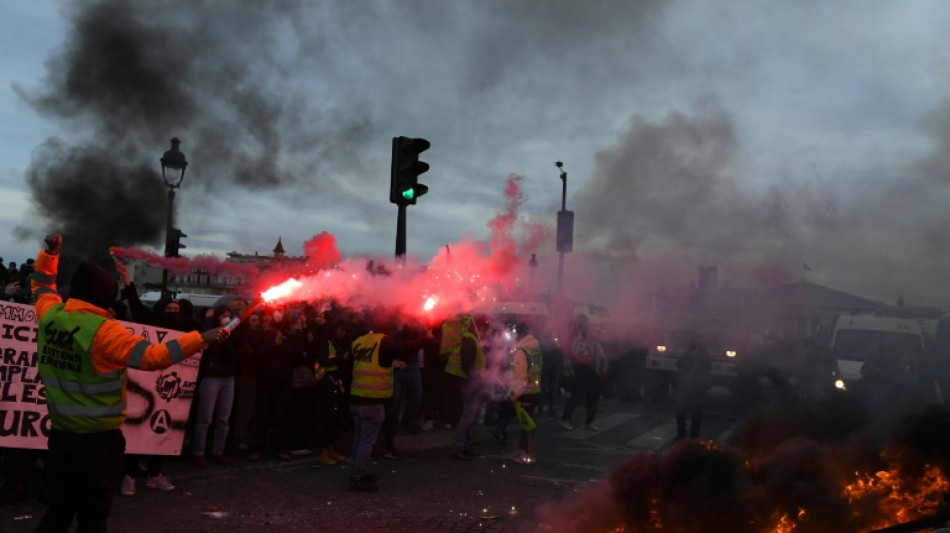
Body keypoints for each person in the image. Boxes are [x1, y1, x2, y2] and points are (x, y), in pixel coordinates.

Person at [31, 233, 229, 533]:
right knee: (93, 516)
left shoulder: (51, 315)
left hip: (60, 436)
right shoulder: (104, 331)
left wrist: (49, 254)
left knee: (59, 510)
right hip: (97, 442)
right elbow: (153, 357)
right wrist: (201, 338)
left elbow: (43, 288)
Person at [348, 314, 429, 492]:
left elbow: (369, 363)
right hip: (372, 401)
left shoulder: (359, 342)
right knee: (366, 442)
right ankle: (357, 478)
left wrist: (391, 364)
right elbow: (404, 348)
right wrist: (426, 338)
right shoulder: (384, 341)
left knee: (359, 439)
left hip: (356, 398)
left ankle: (357, 471)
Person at [192, 305, 238, 467]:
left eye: (229, 315)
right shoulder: (211, 331)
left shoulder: (233, 333)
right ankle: (199, 453)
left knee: (223, 419)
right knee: (205, 418)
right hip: (211, 377)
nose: (226, 318)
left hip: (228, 378)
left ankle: (218, 451)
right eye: (223, 315)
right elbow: (203, 338)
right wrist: (208, 320)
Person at [493, 323, 542, 464]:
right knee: (527, 422)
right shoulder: (535, 348)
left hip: (524, 392)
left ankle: (527, 454)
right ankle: (522, 450)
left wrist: (514, 396)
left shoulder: (521, 351)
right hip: (534, 390)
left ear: (518, 334)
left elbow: (521, 378)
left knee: (526, 424)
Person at [442, 314, 486, 460]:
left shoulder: (471, 339)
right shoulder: (469, 341)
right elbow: (467, 366)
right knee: (467, 417)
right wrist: (476, 380)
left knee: (470, 416)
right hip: (468, 383)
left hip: (467, 382)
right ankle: (458, 447)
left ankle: (465, 446)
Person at [559, 314, 607, 431]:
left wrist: (603, 367)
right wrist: (569, 368)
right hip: (581, 370)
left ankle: (590, 421)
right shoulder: (577, 340)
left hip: (593, 371)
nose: (588, 327)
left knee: (593, 397)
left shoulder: (594, 342)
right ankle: (565, 419)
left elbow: (602, 356)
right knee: (576, 395)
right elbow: (571, 355)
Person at [674, 336, 711, 441]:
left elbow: (705, 368)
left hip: (697, 388)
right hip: (685, 387)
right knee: (680, 412)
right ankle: (681, 435)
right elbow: (679, 363)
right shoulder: (688, 353)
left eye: (698, 340)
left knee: (695, 414)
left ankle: (694, 437)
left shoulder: (705, 356)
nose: (696, 342)